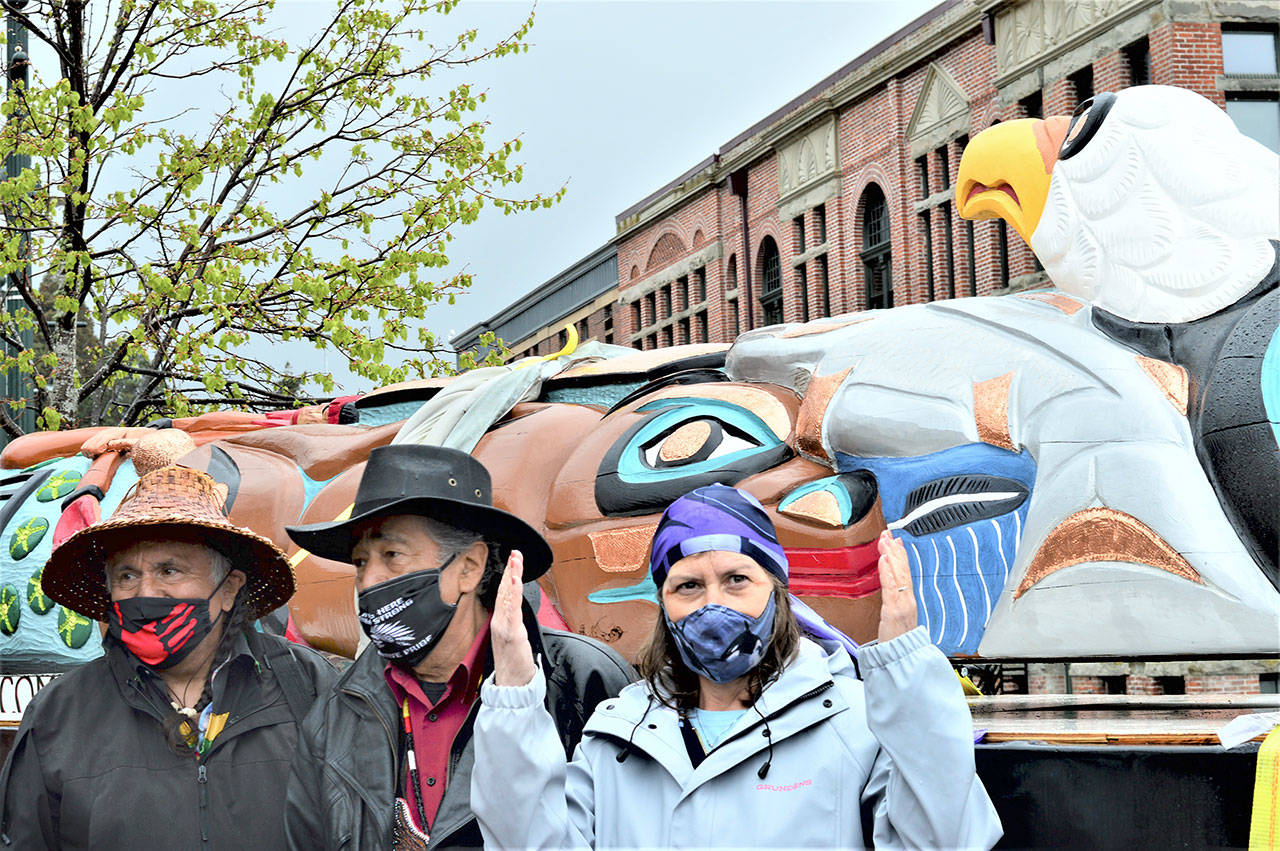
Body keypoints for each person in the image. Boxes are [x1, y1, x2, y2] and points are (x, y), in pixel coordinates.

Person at [473, 483, 1003, 848]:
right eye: (688, 587)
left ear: (777, 591)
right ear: (664, 605)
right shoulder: (615, 738)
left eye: (736, 580)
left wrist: (907, 674)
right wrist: (515, 697)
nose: (712, 605)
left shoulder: (855, 722)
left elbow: (944, 839)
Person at [282, 444, 634, 850]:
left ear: (469, 567)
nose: (368, 581)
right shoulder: (335, 713)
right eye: (361, 562)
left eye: (392, 555)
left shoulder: (578, 679)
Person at [0, 465, 338, 849]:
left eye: (169, 570)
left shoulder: (307, 685)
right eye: (127, 576)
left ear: (229, 589)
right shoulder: (58, 712)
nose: (148, 593)